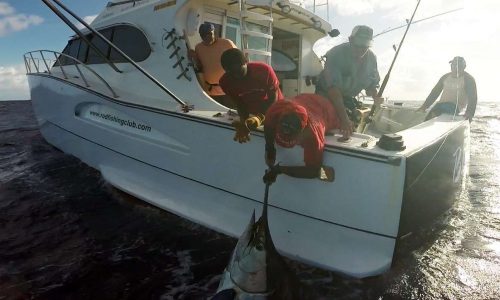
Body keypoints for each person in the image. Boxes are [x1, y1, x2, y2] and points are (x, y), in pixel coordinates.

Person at [315, 25, 383, 139]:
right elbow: (333, 89)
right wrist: (344, 119)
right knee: (332, 122)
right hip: (326, 95)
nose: (361, 49)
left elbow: (371, 85)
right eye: (358, 43)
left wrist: (376, 96)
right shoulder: (336, 53)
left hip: (346, 97)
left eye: (365, 45)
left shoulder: (371, 58)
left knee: (352, 120)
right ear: (351, 40)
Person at [262, 93, 341, 183]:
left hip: (326, 110)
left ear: (303, 129)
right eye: (283, 127)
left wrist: (279, 170)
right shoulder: (275, 110)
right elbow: (268, 126)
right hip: (305, 99)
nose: (286, 133)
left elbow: (314, 171)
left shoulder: (312, 134)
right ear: (279, 118)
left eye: (291, 133)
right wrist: (269, 148)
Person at [219, 48, 284, 143]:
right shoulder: (225, 82)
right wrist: (244, 123)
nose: (237, 76)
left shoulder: (264, 71)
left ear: (246, 62)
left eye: (239, 71)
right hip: (253, 110)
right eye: (232, 73)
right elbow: (239, 103)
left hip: (275, 108)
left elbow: (273, 99)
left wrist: (261, 118)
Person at [188, 23, 237, 108]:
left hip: (228, 91)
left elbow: (239, 59)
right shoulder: (198, 48)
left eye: (210, 33)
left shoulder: (227, 43)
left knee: (230, 116)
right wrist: (193, 57)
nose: (207, 37)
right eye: (204, 35)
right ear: (201, 36)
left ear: (215, 32)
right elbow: (199, 67)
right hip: (210, 92)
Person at [417, 56, 477, 122]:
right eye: (453, 64)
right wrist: (424, 106)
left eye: (457, 65)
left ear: (464, 66)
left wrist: (470, 113)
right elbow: (434, 93)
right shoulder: (445, 77)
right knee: (427, 119)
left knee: (440, 112)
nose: (454, 66)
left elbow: (473, 98)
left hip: (456, 106)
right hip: (441, 104)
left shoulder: (468, 79)